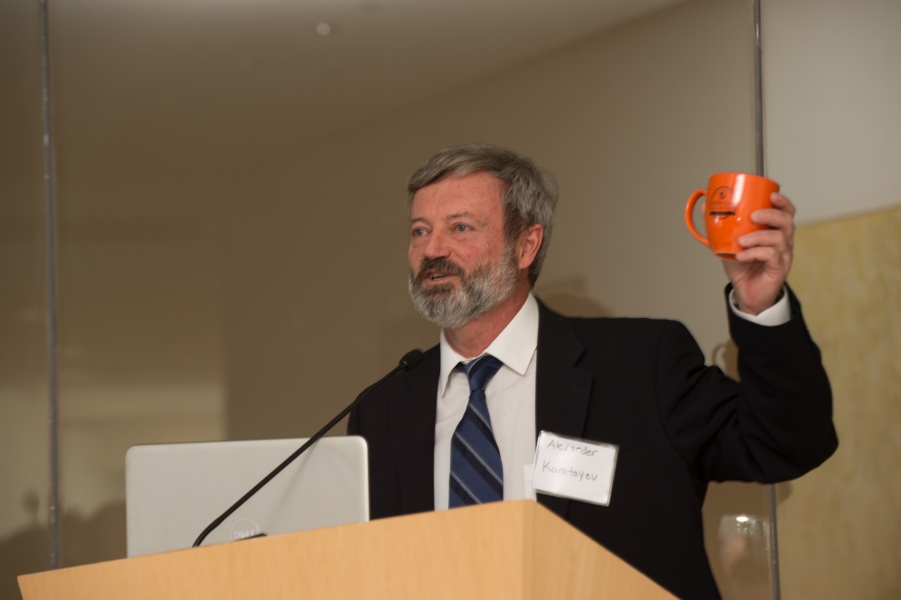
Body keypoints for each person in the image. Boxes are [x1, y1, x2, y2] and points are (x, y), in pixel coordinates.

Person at [348, 143, 837, 599]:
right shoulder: (382, 410)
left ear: (526, 246)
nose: (432, 250)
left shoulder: (642, 366)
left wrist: (761, 306)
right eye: (419, 230)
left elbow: (785, 443)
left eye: (460, 228)